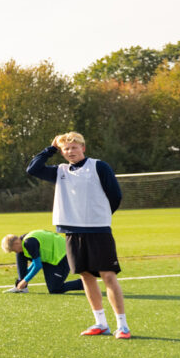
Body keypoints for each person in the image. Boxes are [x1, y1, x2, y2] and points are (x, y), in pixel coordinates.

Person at [25, 131, 131, 338]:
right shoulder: (60, 171)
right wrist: (51, 149)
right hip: (72, 231)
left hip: (98, 229)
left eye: (74, 147)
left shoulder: (99, 166)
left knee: (108, 276)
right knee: (86, 276)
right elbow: (33, 169)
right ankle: (101, 323)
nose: (70, 152)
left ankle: (122, 325)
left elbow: (115, 195)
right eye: (66, 149)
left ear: (83, 148)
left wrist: (99, 215)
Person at [1, 230, 86, 294]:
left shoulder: (28, 243)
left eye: (13, 250)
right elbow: (36, 261)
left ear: (16, 243)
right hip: (49, 259)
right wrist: (24, 277)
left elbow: (38, 265)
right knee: (20, 255)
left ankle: (85, 283)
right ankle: (22, 288)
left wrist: (25, 280)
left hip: (62, 256)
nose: (14, 252)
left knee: (55, 289)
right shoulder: (23, 242)